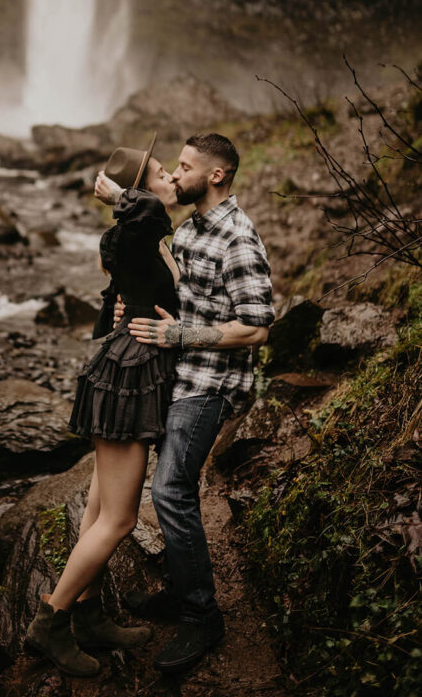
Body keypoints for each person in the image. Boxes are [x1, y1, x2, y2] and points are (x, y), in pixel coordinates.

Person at [95, 132, 274, 675]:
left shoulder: (238, 239)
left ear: (216, 175)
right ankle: (180, 586)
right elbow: (162, 275)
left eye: (185, 166)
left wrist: (180, 337)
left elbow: (257, 328)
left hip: (210, 382)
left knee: (170, 489)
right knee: (167, 489)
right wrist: (130, 298)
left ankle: (202, 615)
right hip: (177, 376)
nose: (175, 174)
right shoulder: (193, 227)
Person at [25, 132, 180, 677]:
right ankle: (51, 622)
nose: (172, 180)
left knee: (97, 507)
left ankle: (88, 614)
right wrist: (121, 196)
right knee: (117, 519)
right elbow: (141, 219)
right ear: (140, 193)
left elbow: (112, 301)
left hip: (128, 371)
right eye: (162, 175)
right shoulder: (136, 229)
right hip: (127, 379)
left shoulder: (138, 240)